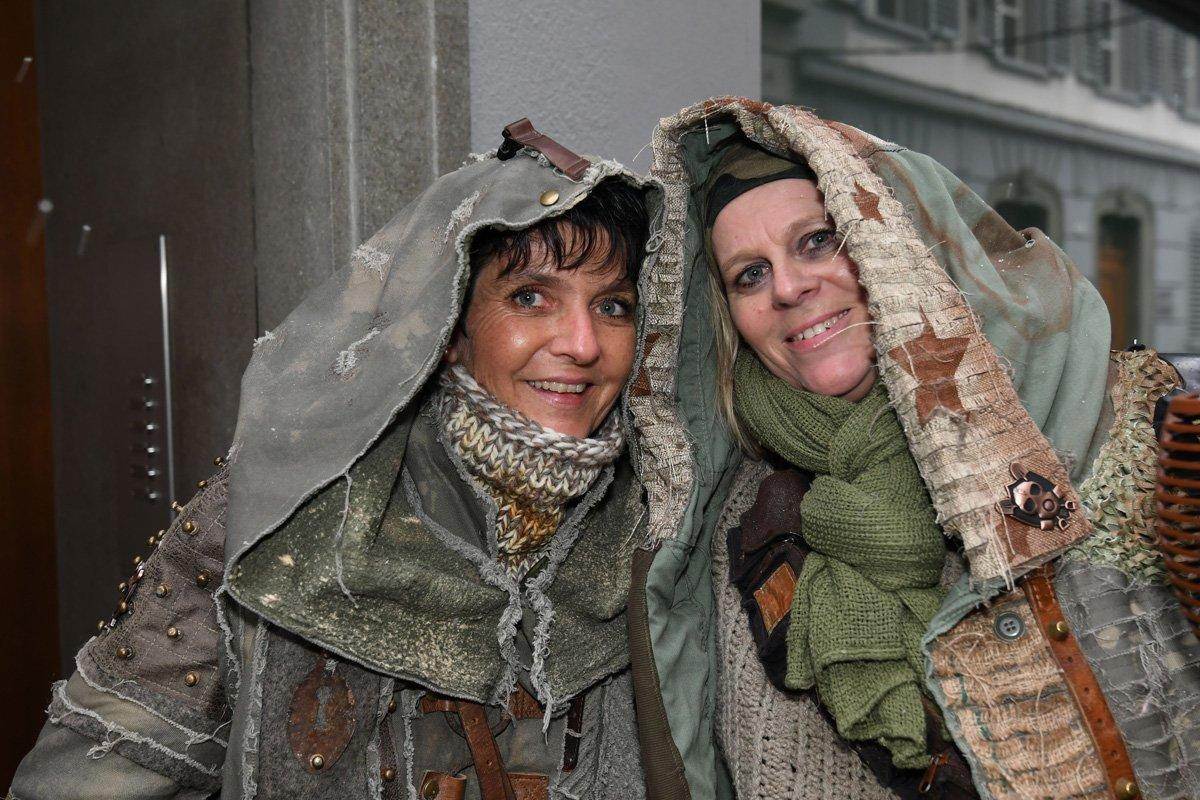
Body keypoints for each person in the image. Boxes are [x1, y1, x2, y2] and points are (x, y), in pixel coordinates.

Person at [10, 121, 658, 800]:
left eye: (613, 306)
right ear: (449, 324)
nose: (582, 343)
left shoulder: (661, 518)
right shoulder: (279, 509)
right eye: (530, 297)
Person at [622, 97, 1200, 800]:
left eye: (817, 241)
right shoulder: (735, 529)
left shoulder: (1122, 430)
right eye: (750, 274)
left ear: (899, 239)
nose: (789, 288)